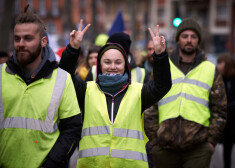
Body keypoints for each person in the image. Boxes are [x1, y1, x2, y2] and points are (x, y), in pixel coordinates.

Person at [59, 19, 171, 168]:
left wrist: (160, 55)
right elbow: (64, 78)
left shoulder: (138, 92)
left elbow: (162, 85)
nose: (112, 67)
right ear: (99, 65)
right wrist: (73, 49)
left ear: (125, 65)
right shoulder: (86, 91)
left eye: (118, 62)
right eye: (107, 62)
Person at [0, 7, 81, 168]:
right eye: (17, 39)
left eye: (28, 38)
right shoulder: (0, 74)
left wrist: (51, 164)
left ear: (43, 41)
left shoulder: (62, 79)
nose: (21, 44)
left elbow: (72, 129)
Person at [149, 18, 227, 168]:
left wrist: (210, 143)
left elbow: (220, 110)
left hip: (198, 149)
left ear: (199, 40)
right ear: (178, 39)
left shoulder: (210, 69)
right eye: (185, 36)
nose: (189, 40)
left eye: (193, 37)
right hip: (164, 148)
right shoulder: (163, 66)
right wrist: (154, 143)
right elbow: (150, 105)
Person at [217, 53, 235, 168]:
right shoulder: (219, 80)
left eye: (220, 63)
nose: (218, 66)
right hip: (226, 124)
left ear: (227, 64)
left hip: (233, 121)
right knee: (227, 151)